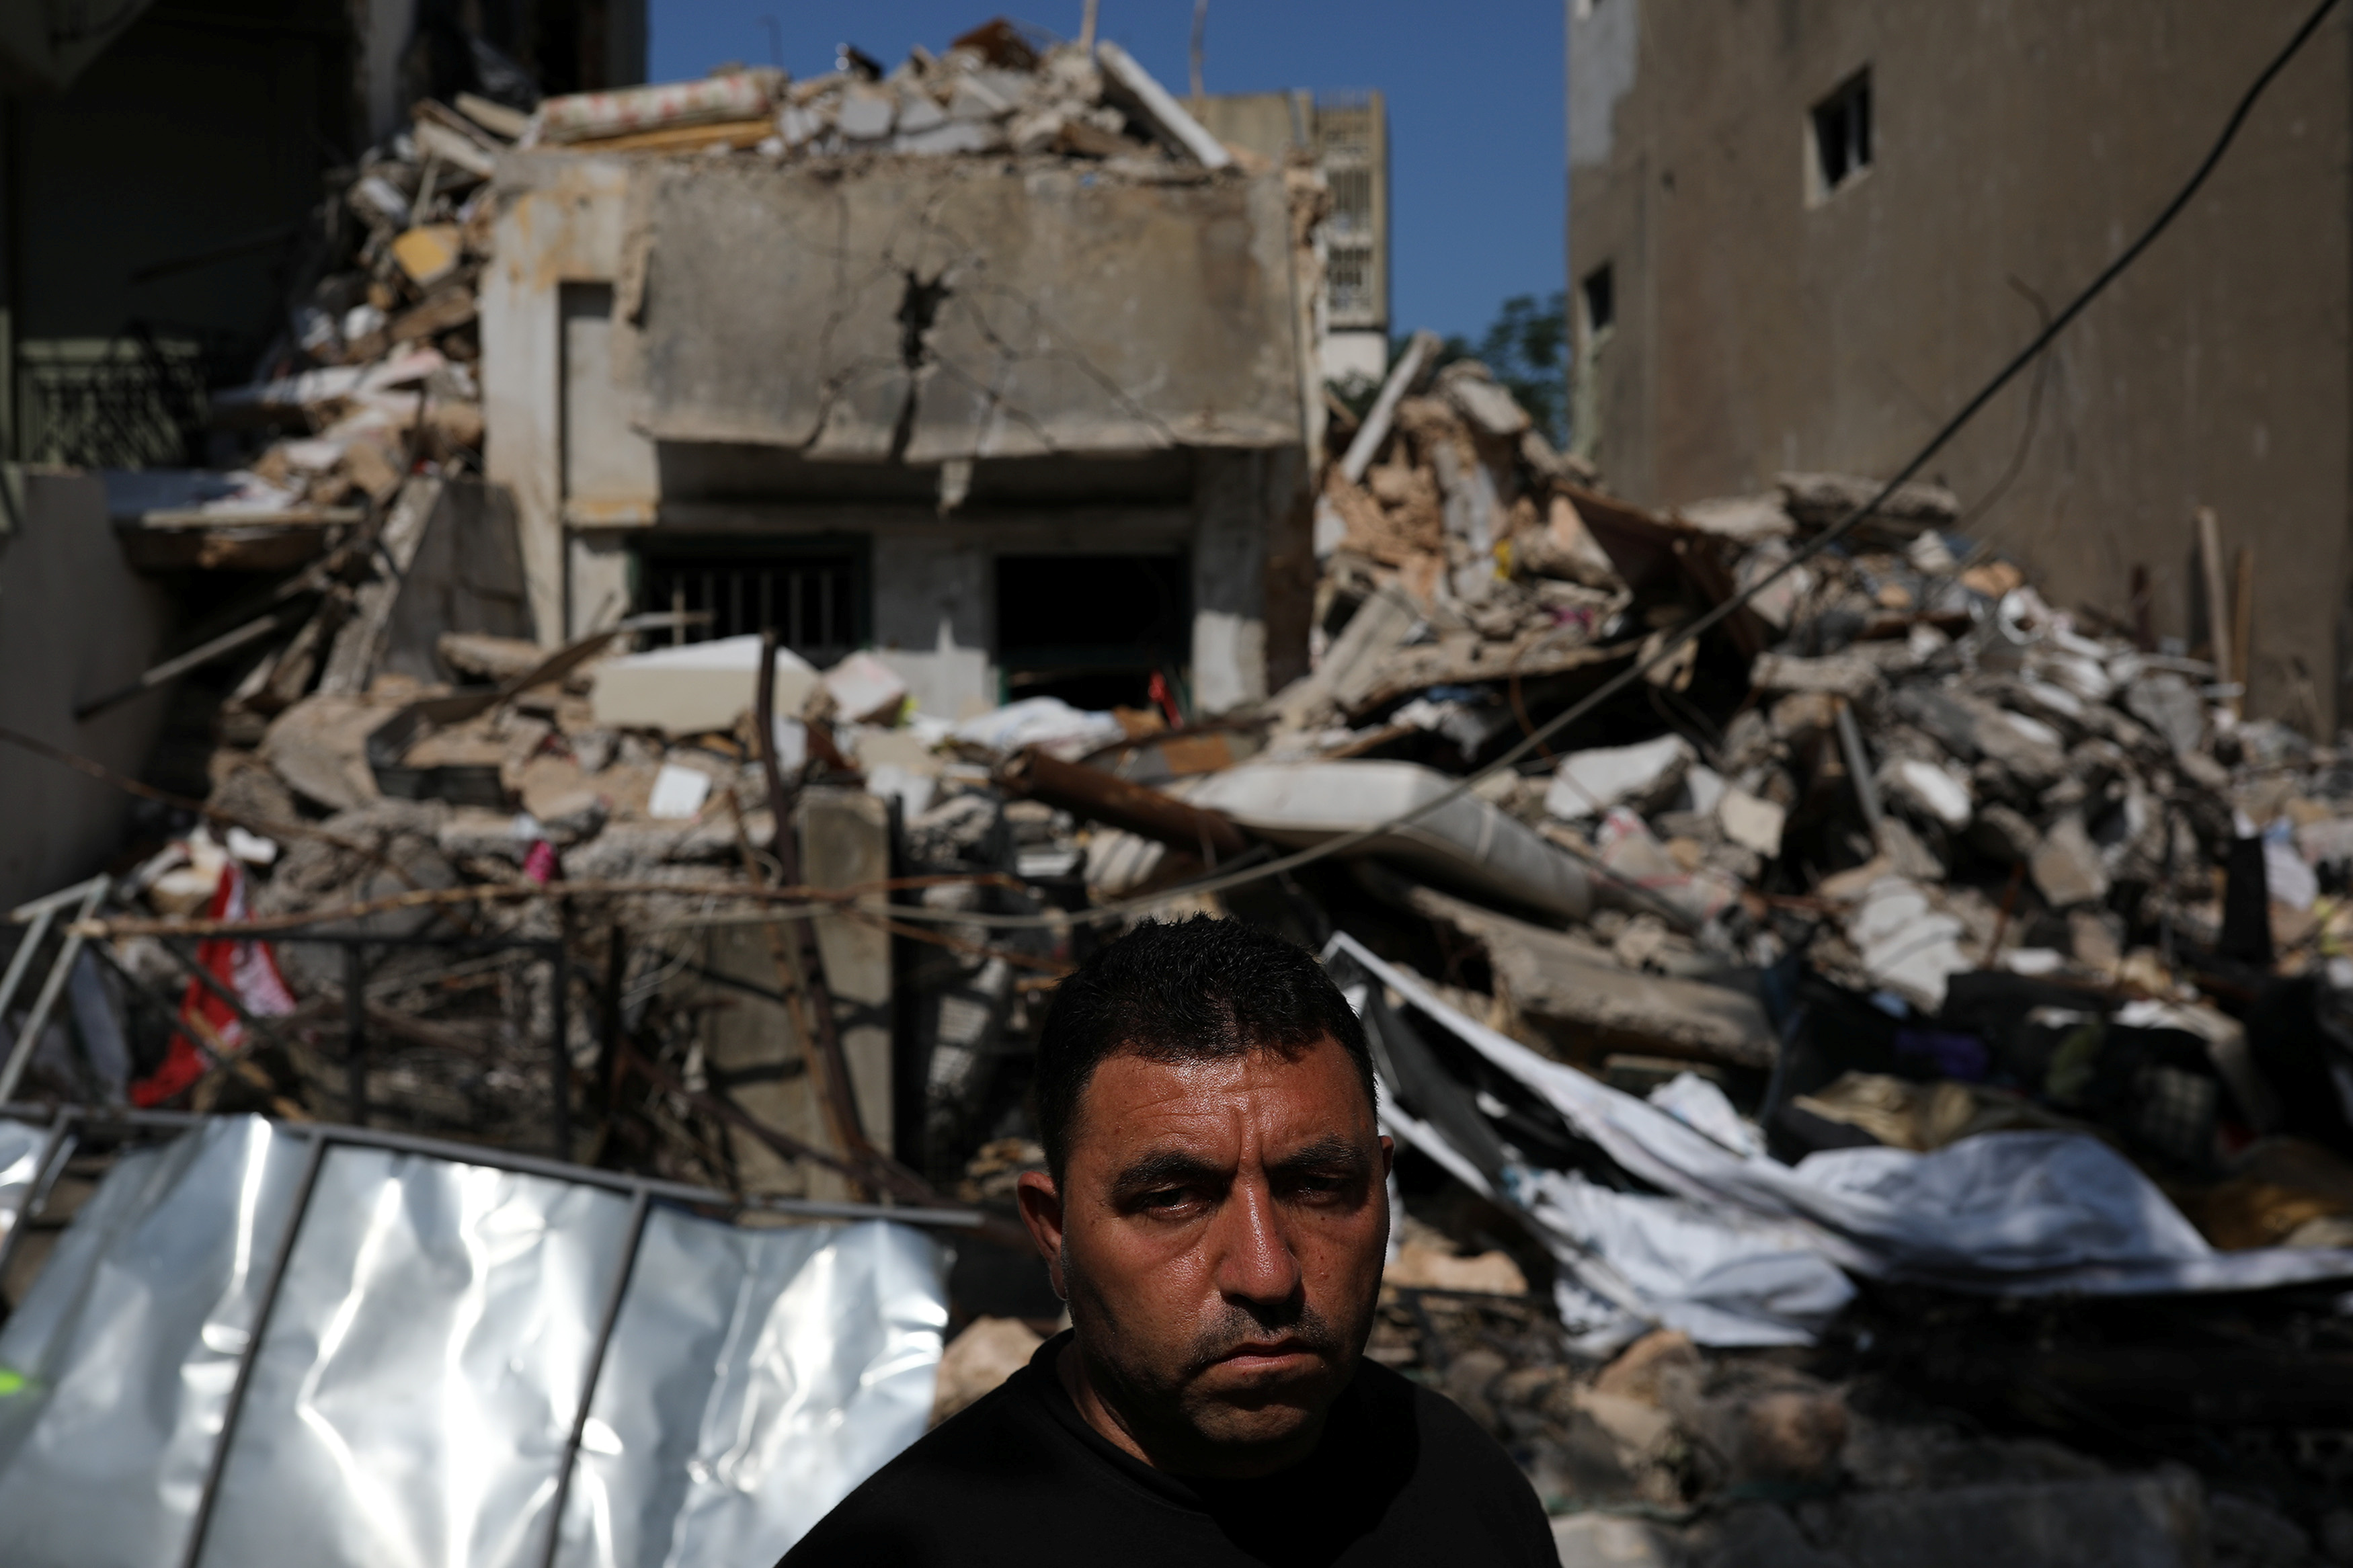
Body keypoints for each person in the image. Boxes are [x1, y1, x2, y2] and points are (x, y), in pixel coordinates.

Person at [781, 916, 1560, 1567]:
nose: (1266, 1271)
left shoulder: (1462, 1489)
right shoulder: (905, 1553)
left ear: (1379, 1186)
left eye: (1318, 1184)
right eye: (1173, 1199)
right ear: (1054, 1231)